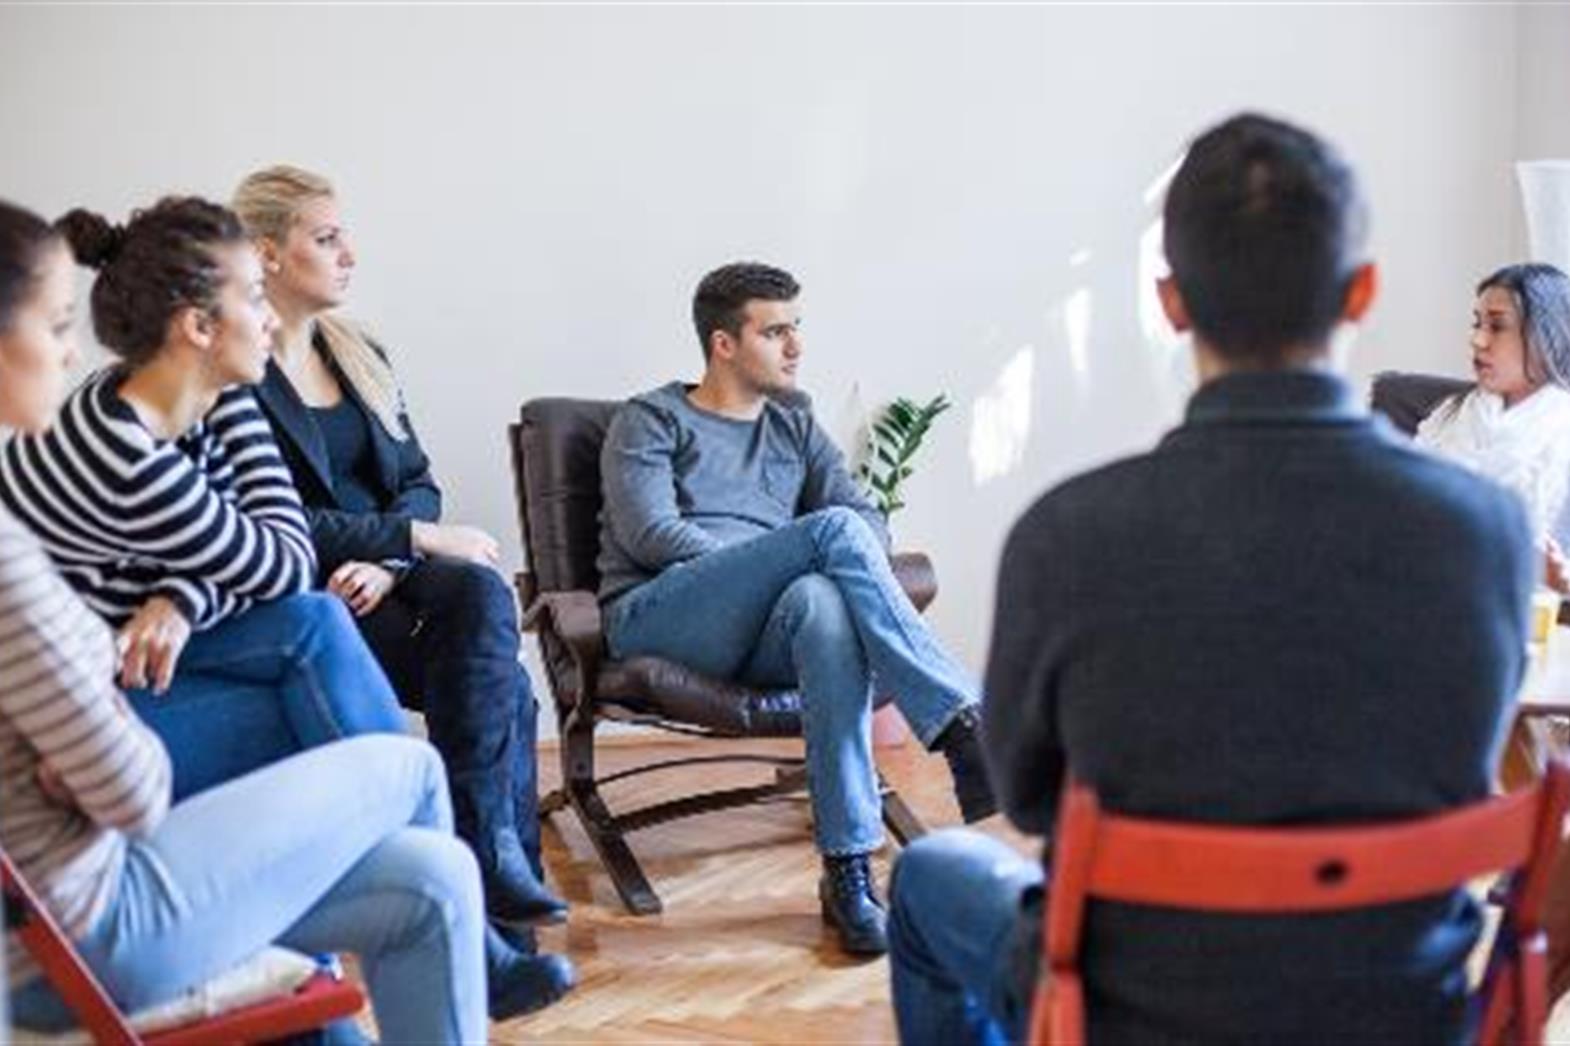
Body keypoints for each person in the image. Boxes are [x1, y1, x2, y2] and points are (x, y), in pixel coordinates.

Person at [886, 113, 1534, 1044]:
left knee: (929, 876)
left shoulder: (1065, 536)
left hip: (1131, 1010)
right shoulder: (1488, 533)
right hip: (1395, 1013)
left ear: (1171, 301)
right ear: (1363, 290)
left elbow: (1027, 800)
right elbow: (1467, 765)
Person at [0, 197, 567, 1042]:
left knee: (330, 649)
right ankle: (478, 923)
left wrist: (183, 596)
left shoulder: (209, 391)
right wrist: (197, 589)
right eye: (53, 326)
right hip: (100, 817)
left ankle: (465, 924)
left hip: (127, 702)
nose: (268, 319)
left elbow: (276, 537)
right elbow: (273, 559)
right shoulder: (111, 448)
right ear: (197, 325)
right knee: (378, 740)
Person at [597, 261, 996, 957]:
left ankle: (846, 873)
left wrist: (791, 562)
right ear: (724, 344)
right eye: (775, 331)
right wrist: (764, 558)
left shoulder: (793, 421)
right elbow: (649, 533)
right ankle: (964, 728)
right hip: (663, 617)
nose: (796, 347)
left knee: (821, 604)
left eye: (796, 329)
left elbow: (866, 515)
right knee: (827, 538)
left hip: (766, 622)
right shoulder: (652, 418)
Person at [232, 165, 566, 930]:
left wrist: (390, 560)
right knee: (508, 690)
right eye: (326, 237)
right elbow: (265, 520)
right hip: (306, 600)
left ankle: (484, 877)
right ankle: (499, 904)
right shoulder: (232, 370)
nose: (349, 252)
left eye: (344, 234)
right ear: (267, 253)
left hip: (388, 582)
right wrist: (406, 538)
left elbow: (417, 481)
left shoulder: (362, 352)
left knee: (480, 589)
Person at [1415, 263, 1570, 590]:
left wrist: (1564, 582)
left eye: (1497, 326)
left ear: (1547, 336)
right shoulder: (1447, 418)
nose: (1478, 340)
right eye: (1477, 324)